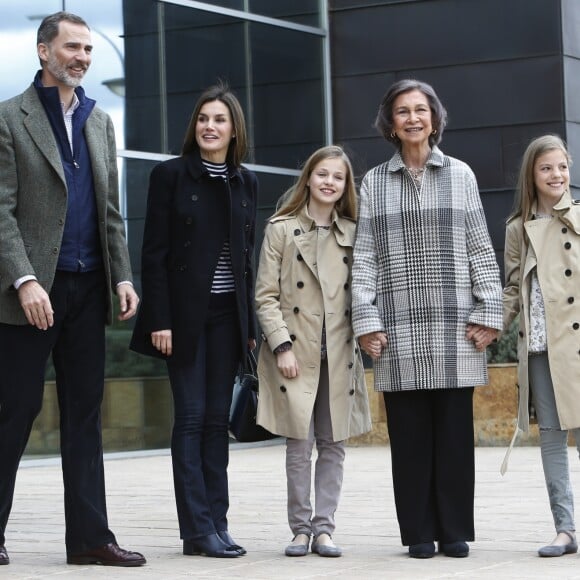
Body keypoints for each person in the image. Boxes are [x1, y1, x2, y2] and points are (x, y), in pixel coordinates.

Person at [0, 12, 145, 567]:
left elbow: (110, 210)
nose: (83, 56)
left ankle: (89, 538)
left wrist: (123, 274)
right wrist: (25, 279)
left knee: (85, 413)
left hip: (89, 288)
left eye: (88, 48)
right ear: (43, 52)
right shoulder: (10, 118)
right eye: (72, 47)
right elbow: (3, 210)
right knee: (16, 410)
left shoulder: (99, 119)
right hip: (30, 294)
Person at [351, 79, 502, 559]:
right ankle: (418, 531)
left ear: (434, 118)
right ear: (390, 124)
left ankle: (454, 530)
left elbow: (481, 246)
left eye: (421, 110)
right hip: (397, 329)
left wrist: (490, 312)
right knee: (410, 437)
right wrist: (366, 319)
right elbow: (366, 258)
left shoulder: (461, 174)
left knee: (454, 436)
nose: (413, 118)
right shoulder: (374, 181)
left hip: (456, 326)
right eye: (402, 111)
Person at [130, 83, 258, 558]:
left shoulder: (244, 181)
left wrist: (250, 329)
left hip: (229, 318)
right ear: (195, 126)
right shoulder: (170, 176)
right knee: (189, 418)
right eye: (203, 118)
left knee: (214, 422)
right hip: (182, 317)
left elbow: (247, 258)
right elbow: (154, 254)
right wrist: (158, 318)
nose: (210, 126)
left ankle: (218, 524)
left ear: (233, 129)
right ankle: (196, 529)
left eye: (219, 119)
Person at [255, 145, 372, 558]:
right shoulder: (281, 229)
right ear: (308, 178)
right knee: (299, 445)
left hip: (339, 353)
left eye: (337, 177)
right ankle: (300, 530)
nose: (329, 182)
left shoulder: (354, 233)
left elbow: (364, 294)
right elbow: (265, 296)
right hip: (295, 353)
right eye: (322, 174)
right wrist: (281, 345)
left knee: (334, 443)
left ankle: (324, 529)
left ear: (345, 187)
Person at [502, 134, 580, 557]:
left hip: (577, 344)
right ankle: (565, 530)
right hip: (539, 348)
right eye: (547, 167)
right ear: (532, 174)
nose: (557, 175)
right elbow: (513, 289)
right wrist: (487, 326)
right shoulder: (518, 228)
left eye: (563, 167)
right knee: (551, 436)